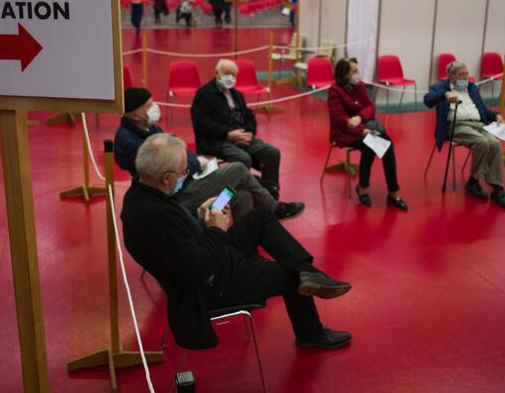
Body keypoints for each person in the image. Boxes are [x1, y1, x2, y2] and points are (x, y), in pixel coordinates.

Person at [121, 133, 352, 350]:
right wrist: (216, 229)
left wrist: (198, 217)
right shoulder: (153, 217)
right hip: (212, 285)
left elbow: (179, 237)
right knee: (289, 274)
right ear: (167, 178)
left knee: (260, 217)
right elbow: (197, 270)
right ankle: (310, 333)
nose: (185, 176)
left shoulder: (145, 192)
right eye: (183, 172)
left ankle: (306, 270)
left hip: (212, 255)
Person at [115, 87, 305, 219]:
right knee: (238, 169)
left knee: (242, 195)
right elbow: (167, 167)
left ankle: (241, 242)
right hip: (177, 195)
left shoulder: (148, 127)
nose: (154, 108)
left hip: (187, 181)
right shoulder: (129, 143)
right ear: (133, 113)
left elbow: (180, 150)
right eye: (149, 106)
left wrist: (189, 160)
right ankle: (274, 208)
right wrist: (195, 163)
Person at [424, 60, 505, 209]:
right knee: (483, 143)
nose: (465, 78)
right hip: (456, 126)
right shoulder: (440, 87)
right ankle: (474, 182)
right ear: (451, 77)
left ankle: (496, 187)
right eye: (461, 75)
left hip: (478, 124)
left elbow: (483, 109)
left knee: (495, 143)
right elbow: (428, 100)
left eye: (467, 74)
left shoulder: (472, 88)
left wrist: (496, 115)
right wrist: (444, 95)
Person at [191, 59, 284, 198]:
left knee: (272, 153)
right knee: (243, 158)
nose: (230, 78)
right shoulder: (204, 94)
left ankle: (270, 194)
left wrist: (250, 133)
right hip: (217, 141)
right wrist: (228, 134)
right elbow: (201, 124)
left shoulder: (236, 94)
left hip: (241, 137)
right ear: (217, 73)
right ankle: (232, 197)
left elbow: (248, 115)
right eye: (227, 73)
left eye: (234, 75)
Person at [327, 58, 407, 209]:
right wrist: (361, 130)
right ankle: (364, 188)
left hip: (364, 128)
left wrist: (360, 117)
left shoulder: (361, 86)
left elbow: (371, 107)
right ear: (344, 75)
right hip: (344, 132)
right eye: (354, 71)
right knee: (370, 146)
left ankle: (393, 191)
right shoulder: (334, 90)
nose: (358, 74)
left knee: (387, 146)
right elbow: (339, 119)